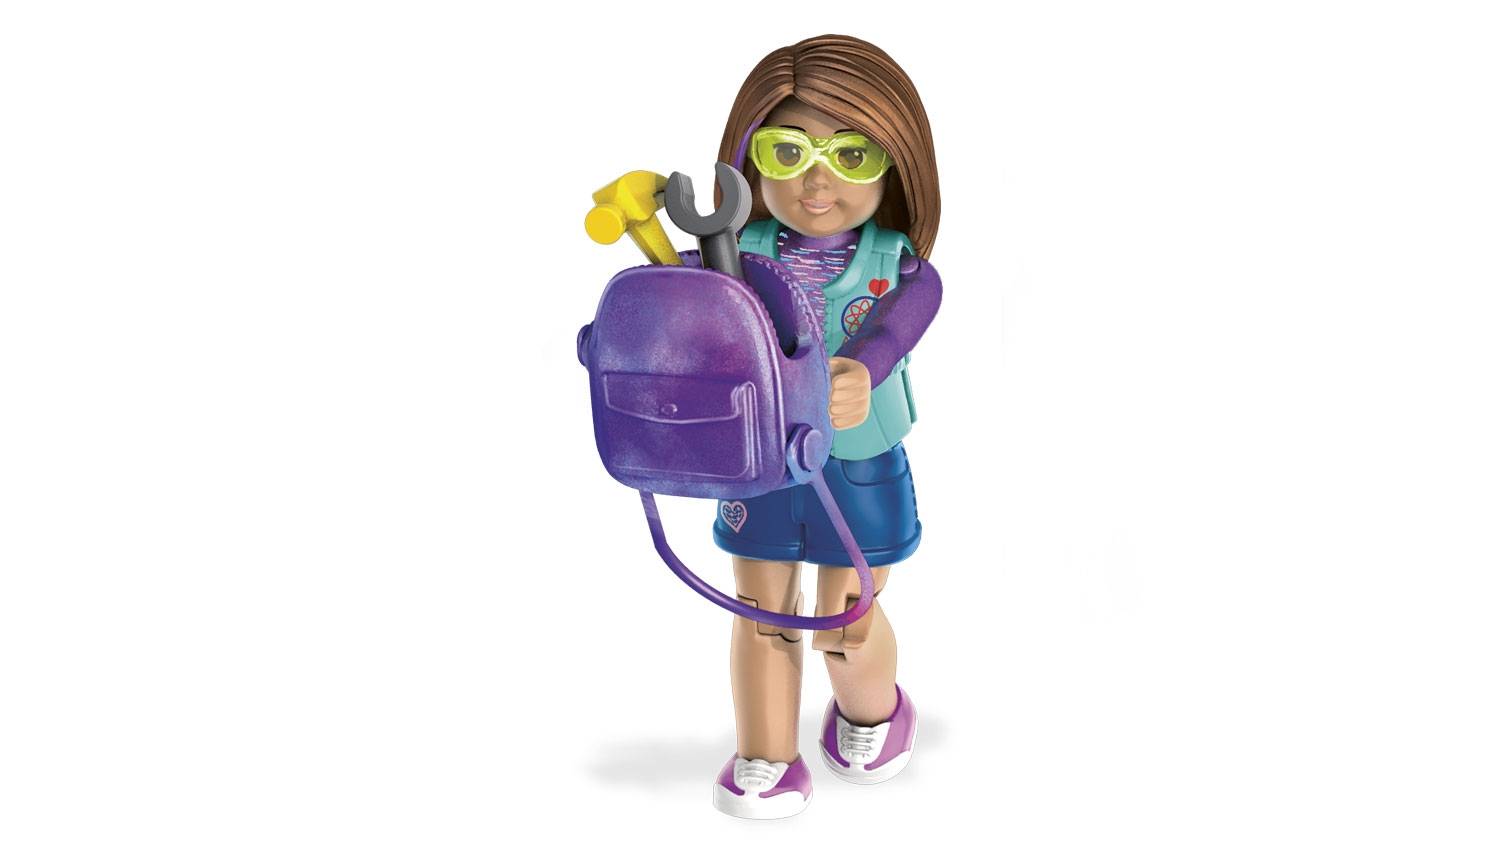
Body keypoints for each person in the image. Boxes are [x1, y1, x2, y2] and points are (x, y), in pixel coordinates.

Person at [707, 34, 943, 819]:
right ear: (748, 160)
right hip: (763, 459)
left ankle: (874, 713)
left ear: (894, 164)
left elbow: (896, 328)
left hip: (856, 460)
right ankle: (767, 756)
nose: (816, 181)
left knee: (846, 620)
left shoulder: (898, 265)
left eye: (850, 155)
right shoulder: (733, 252)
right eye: (787, 151)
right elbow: (684, 307)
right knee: (761, 614)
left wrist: (863, 370)